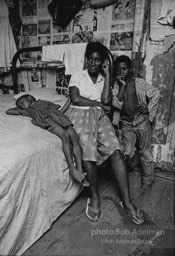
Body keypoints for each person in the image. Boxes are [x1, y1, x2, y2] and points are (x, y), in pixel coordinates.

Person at [65, 42, 144, 224]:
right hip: (79, 113)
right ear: (86, 60)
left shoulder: (102, 78)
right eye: (90, 59)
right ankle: (94, 197)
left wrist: (108, 75)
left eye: (97, 60)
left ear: (102, 62)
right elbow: (75, 98)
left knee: (116, 150)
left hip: (99, 116)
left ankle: (127, 201)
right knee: (88, 150)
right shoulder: (78, 75)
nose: (93, 63)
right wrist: (100, 105)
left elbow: (108, 100)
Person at [6, 94, 89, 187]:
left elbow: (60, 111)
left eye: (21, 102)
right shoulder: (27, 110)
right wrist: (19, 109)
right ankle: (71, 168)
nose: (20, 105)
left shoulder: (43, 102)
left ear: (29, 98)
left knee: (75, 138)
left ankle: (80, 170)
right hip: (48, 122)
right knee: (65, 136)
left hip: (61, 118)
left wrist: (69, 101)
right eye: (19, 104)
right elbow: (8, 111)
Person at [112, 55, 160, 193]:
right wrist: (121, 86)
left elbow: (155, 93)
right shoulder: (115, 87)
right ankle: (129, 169)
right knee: (127, 151)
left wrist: (148, 109)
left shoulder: (138, 82)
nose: (121, 72)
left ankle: (147, 180)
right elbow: (117, 104)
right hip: (126, 124)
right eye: (118, 70)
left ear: (130, 69)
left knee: (145, 152)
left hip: (141, 121)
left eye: (124, 69)